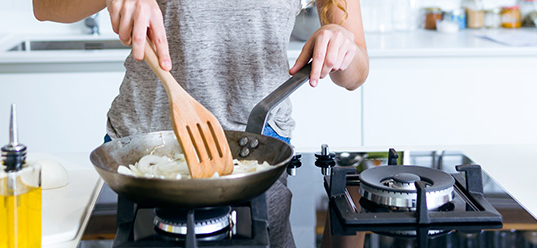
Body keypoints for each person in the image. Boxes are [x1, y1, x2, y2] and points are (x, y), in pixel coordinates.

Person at [33, 0, 368, 246]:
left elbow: (356, 74)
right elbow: (45, 6)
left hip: (258, 158)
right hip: (142, 156)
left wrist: (342, 41)